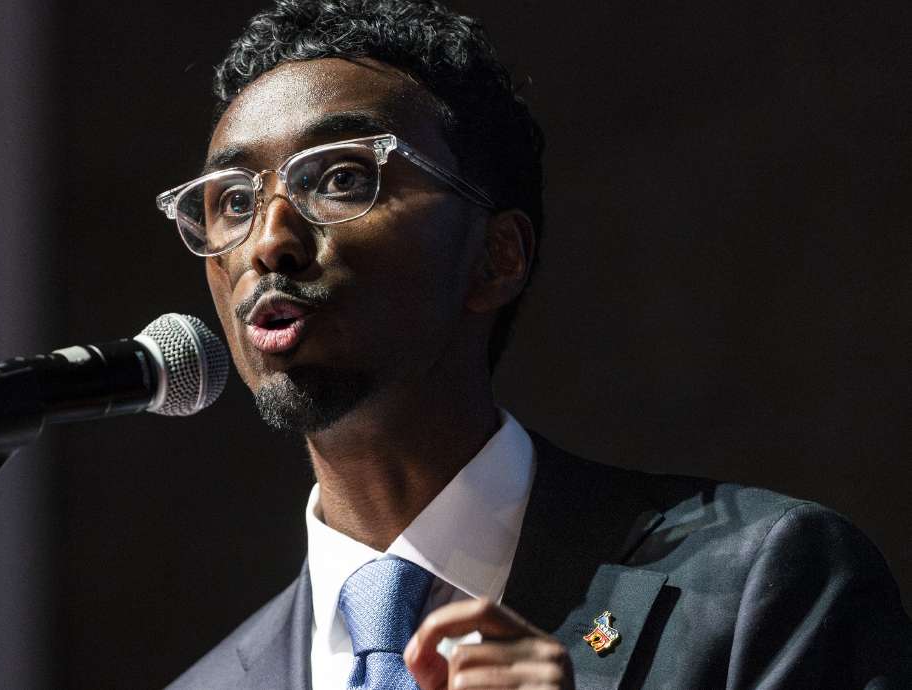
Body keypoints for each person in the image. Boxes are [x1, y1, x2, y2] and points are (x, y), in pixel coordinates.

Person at [154, 1, 912, 688]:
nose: (271, 239)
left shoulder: (765, 584)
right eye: (233, 202)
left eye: (344, 178)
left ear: (496, 258)